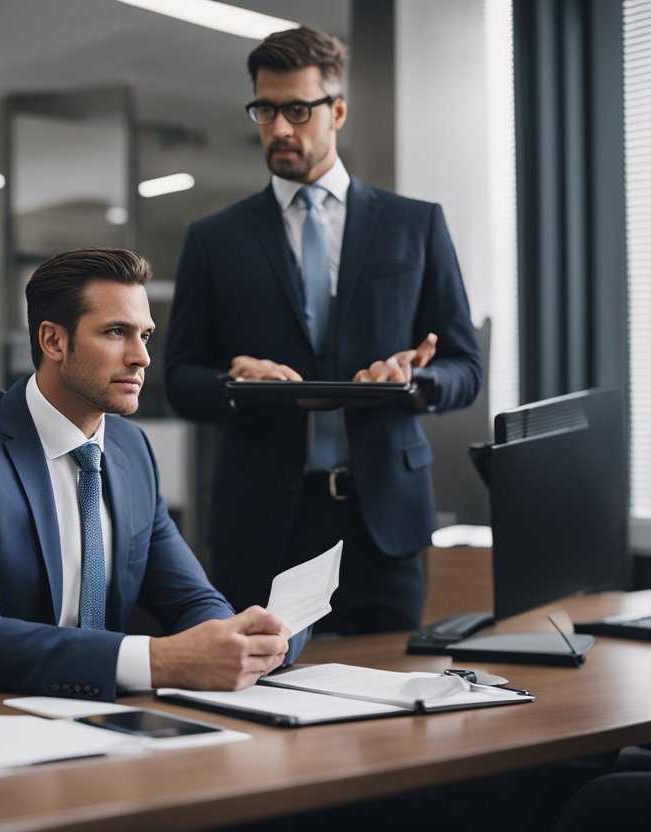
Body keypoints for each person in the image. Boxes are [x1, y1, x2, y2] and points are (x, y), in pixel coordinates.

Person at [0, 246, 306, 700]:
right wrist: (160, 661)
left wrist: (243, 640)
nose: (141, 357)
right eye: (117, 332)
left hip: (100, 718)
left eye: (146, 335)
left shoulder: (131, 448)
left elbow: (189, 601)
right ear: (53, 341)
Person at [165, 26, 482, 635]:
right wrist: (235, 379)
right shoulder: (214, 239)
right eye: (265, 108)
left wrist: (417, 382)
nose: (279, 127)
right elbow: (179, 379)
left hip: (381, 515)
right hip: (261, 519)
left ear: (336, 111)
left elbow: (465, 365)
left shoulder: (414, 226)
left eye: (297, 109)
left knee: (391, 710)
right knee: (255, 702)